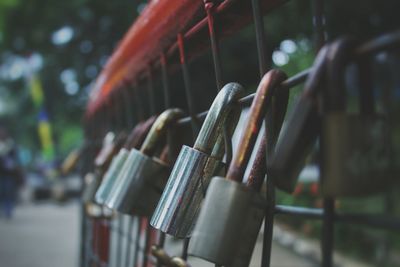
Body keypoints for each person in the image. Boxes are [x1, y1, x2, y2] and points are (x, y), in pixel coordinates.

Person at [0, 127, 22, 219]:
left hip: (9, 173)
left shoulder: (11, 145)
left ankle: (8, 210)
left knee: (8, 191)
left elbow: (16, 159)